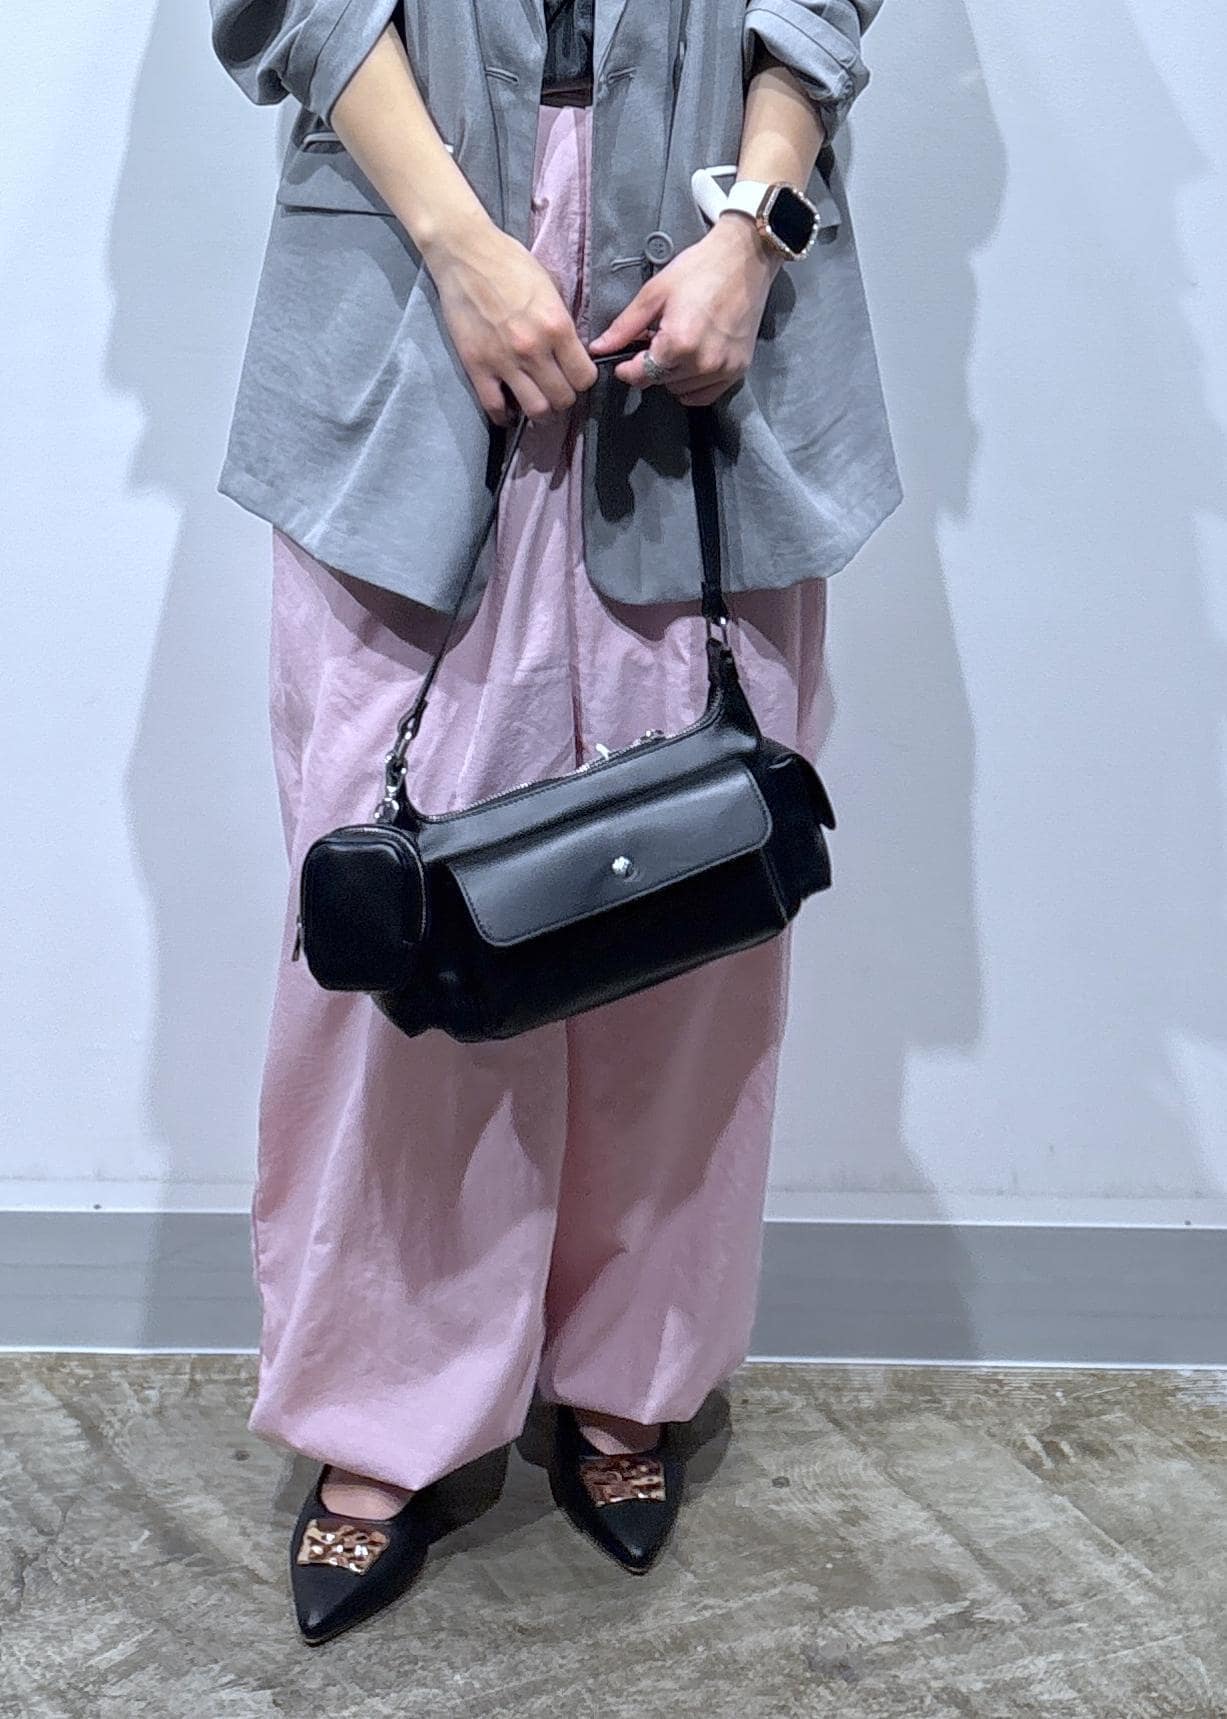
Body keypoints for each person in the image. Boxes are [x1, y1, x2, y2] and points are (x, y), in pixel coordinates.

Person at [209, 0, 899, 1646]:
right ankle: (382, 1406)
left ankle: (630, 1369)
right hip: (410, 273)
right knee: (394, 913)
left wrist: (756, 232)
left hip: (709, 288)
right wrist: (464, 246)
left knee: (690, 900)